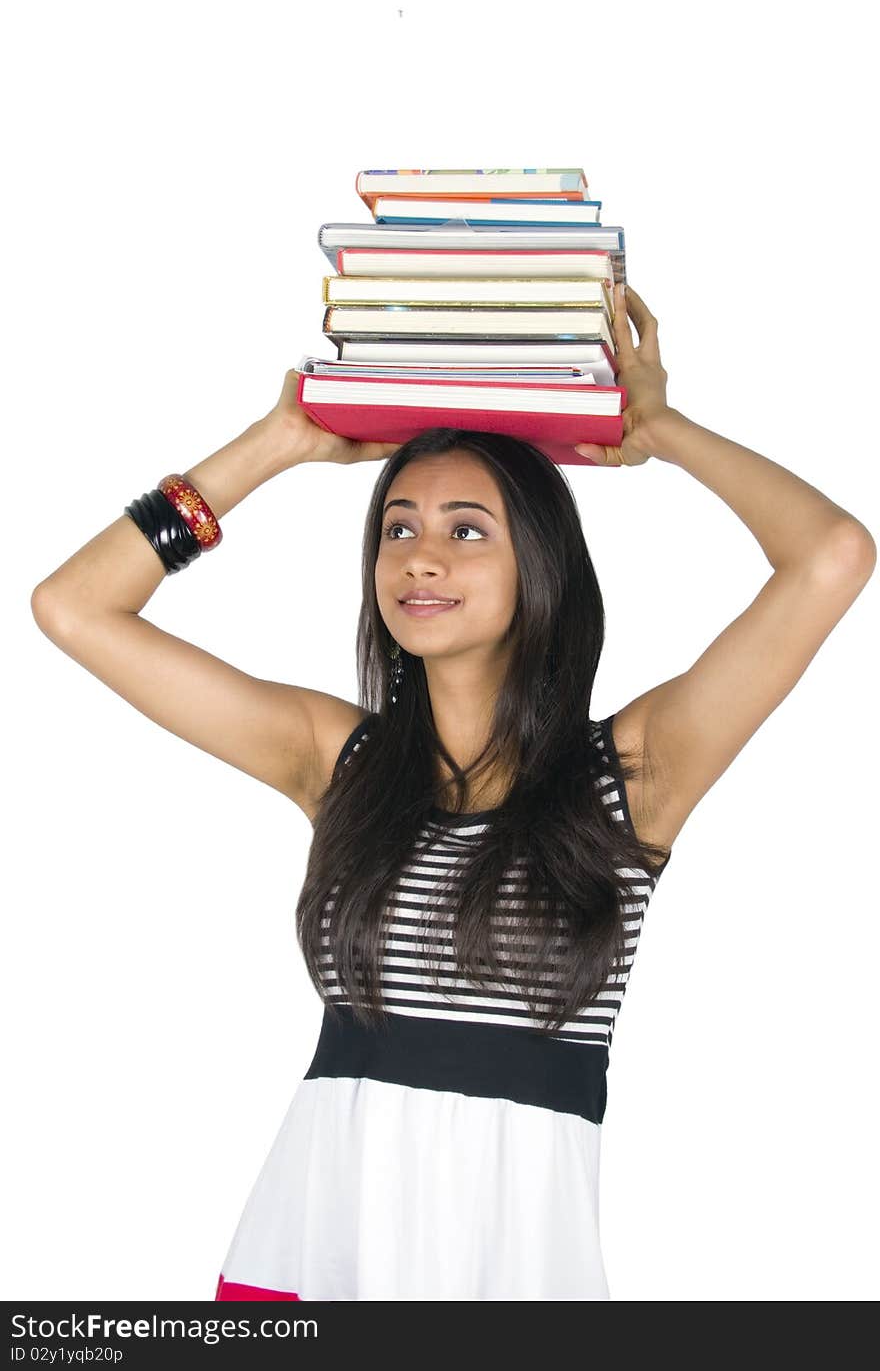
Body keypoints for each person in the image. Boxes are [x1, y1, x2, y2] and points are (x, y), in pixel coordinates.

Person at [30, 284, 876, 1301]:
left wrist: (659, 427)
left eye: (467, 530)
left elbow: (832, 556)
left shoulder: (634, 777)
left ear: (540, 564)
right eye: (397, 527)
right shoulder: (335, 760)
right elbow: (73, 607)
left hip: (512, 1272)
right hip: (308, 1256)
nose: (420, 555)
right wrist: (275, 443)